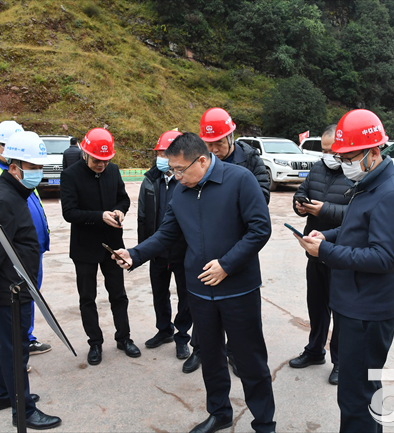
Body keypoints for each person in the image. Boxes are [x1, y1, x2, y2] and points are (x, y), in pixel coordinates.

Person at [112, 133, 276, 433]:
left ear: (201, 160)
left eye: (179, 170)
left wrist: (227, 265)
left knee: (250, 360)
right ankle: (219, 412)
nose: (176, 176)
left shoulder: (240, 180)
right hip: (200, 291)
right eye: (172, 170)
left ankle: (264, 422)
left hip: (238, 290)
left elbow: (260, 229)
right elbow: (166, 233)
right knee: (210, 357)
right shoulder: (182, 191)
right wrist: (134, 254)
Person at [294, 109, 394, 433]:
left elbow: (383, 257)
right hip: (354, 303)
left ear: (374, 152)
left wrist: (325, 252)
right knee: (357, 394)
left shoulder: (393, 194)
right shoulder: (368, 184)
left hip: (368, 311)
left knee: (357, 398)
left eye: (349, 158)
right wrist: (327, 236)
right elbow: (355, 228)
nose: (345, 164)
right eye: (341, 157)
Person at [0, 131, 61, 430]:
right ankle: (23, 411)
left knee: (4, 345)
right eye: (32, 167)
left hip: (17, 287)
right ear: (14, 167)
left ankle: (2, 395)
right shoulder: (3, 200)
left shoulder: (15, 193)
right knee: (15, 350)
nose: (38, 173)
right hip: (9, 292)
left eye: (40, 167)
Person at [192, 107, 271, 376]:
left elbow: (261, 197)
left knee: (239, 310)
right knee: (204, 304)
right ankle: (199, 349)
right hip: (207, 240)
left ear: (231, 137)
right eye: (209, 144)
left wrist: (229, 201)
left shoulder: (250, 161)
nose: (214, 149)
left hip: (238, 242)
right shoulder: (201, 160)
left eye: (219, 143)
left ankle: (236, 353)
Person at [0, 120, 52, 363]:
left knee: (23, 313)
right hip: (9, 264)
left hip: (28, 255)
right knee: (7, 327)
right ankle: (6, 359)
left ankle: (25, 340)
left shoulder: (22, 179)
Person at [60, 127, 140, 366]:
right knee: (87, 297)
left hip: (113, 245)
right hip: (84, 247)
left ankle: (124, 338)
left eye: (105, 160)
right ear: (85, 153)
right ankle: (95, 342)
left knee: (118, 294)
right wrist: (99, 216)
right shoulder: (71, 175)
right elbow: (69, 212)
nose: (101, 165)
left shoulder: (113, 171)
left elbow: (123, 198)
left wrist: (120, 210)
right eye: (97, 160)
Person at [290, 124, 353, 385]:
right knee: (316, 306)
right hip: (314, 250)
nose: (328, 156)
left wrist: (324, 210)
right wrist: (300, 204)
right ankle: (315, 350)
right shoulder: (318, 168)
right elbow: (302, 190)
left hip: (340, 253)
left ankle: (340, 361)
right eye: (324, 150)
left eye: (333, 151)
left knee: (339, 309)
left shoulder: (354, 173)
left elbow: (357, 214)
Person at [137, 130, 194, 363]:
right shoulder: (150, 179)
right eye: (159, 153)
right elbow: (142, 216)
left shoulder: (188, 181)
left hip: (182, 250)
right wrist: (143, 250)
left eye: (165, 153)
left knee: (185, 296)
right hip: (157, 250)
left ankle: (182, 337)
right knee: (159, 292)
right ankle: (164, 329)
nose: (161, 157)